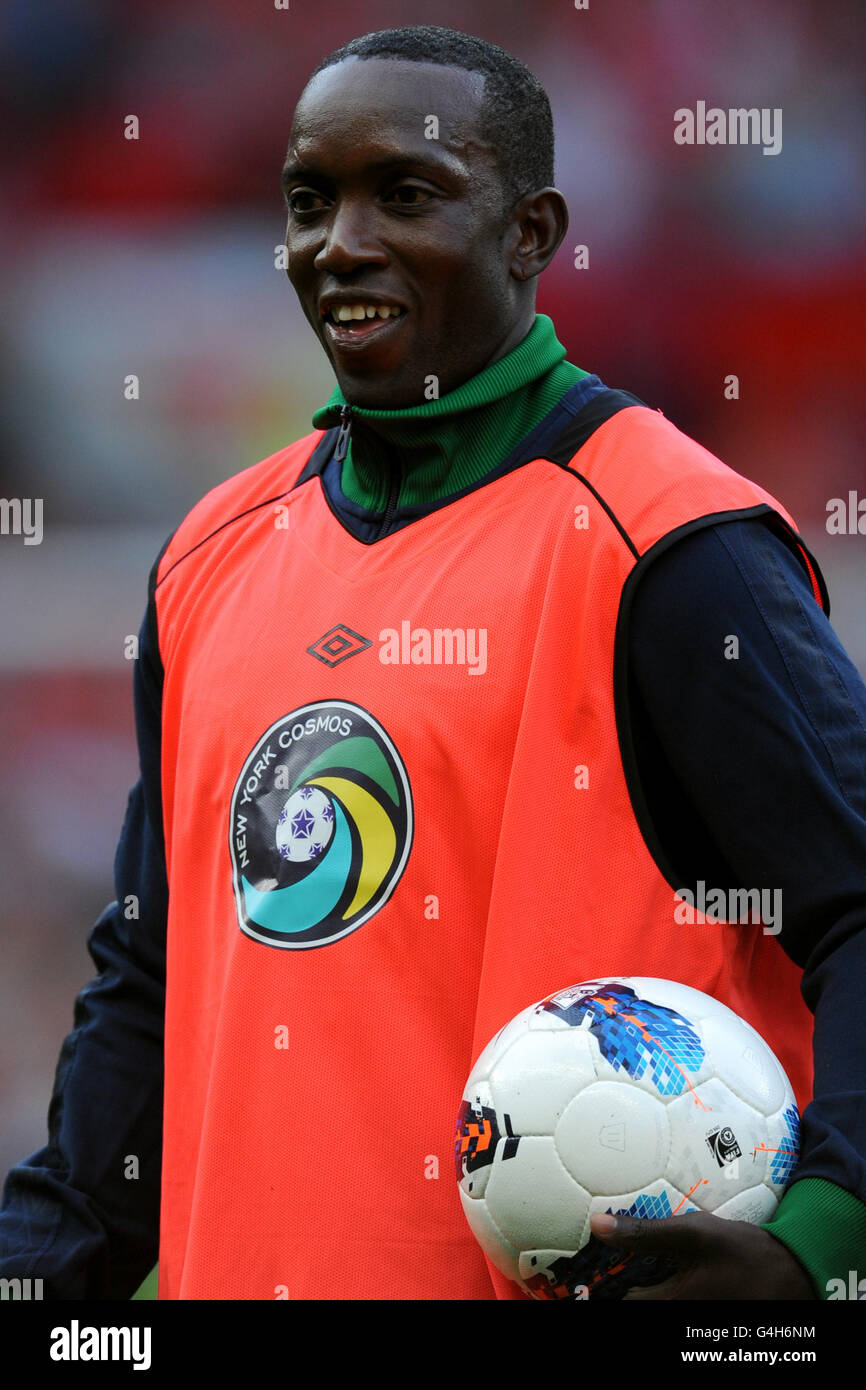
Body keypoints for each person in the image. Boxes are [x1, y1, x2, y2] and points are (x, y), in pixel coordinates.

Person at [2, 25, 865, 1302]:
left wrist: (815, 1254)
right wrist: (48, 1280)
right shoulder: (207, 557)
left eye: (403, 194)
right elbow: (147, 986)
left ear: (530, 232)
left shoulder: (671, 546)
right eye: (310, 201)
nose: (339, 243)